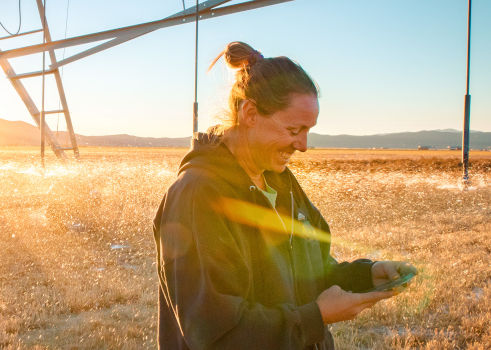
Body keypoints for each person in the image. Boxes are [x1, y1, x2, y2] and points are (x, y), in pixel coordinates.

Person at [153, 42, 417, 349]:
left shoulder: (280, 181)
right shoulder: (197, 196)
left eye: (308, 130)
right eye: (294, 130)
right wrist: (315, 317)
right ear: (250, 113)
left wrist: (365, 275)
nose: (303, 145)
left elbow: (309, 271)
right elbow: (216, 334)